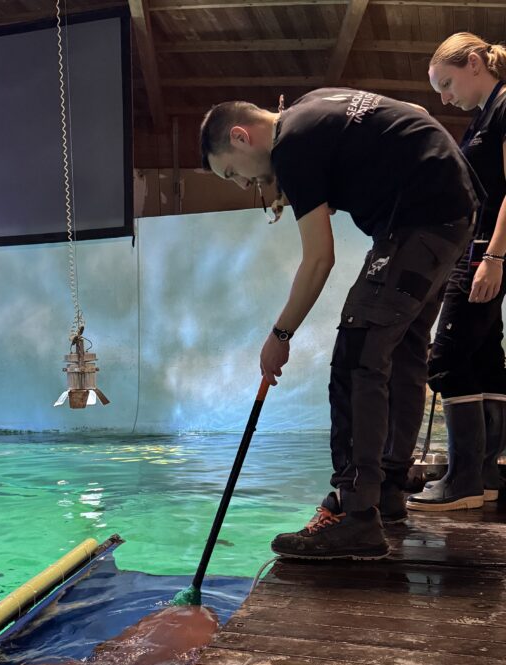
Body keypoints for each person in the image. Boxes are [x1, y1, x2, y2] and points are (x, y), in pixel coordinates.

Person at [200, 91, 479, 558]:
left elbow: (318, 260)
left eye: (232, 172)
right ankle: (387, 489)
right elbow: (414, 117)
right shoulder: (313, 108)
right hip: (453, 212)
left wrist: (280, 335)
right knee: (403, 350)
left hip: (420, 219)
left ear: (240, 137)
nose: (245, 183)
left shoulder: (291, 147)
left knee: (357, 354)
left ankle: (356, 514)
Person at [407, 33, 506, 512]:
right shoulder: (484, 116)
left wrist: (495, 258)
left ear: (474, 63)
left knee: (445, 357)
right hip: (480, 249)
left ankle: (462, 481)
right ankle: (484, 476)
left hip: (486, 252)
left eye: (446, 84)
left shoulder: (504, 107)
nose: (445, 98)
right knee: (484, 354)